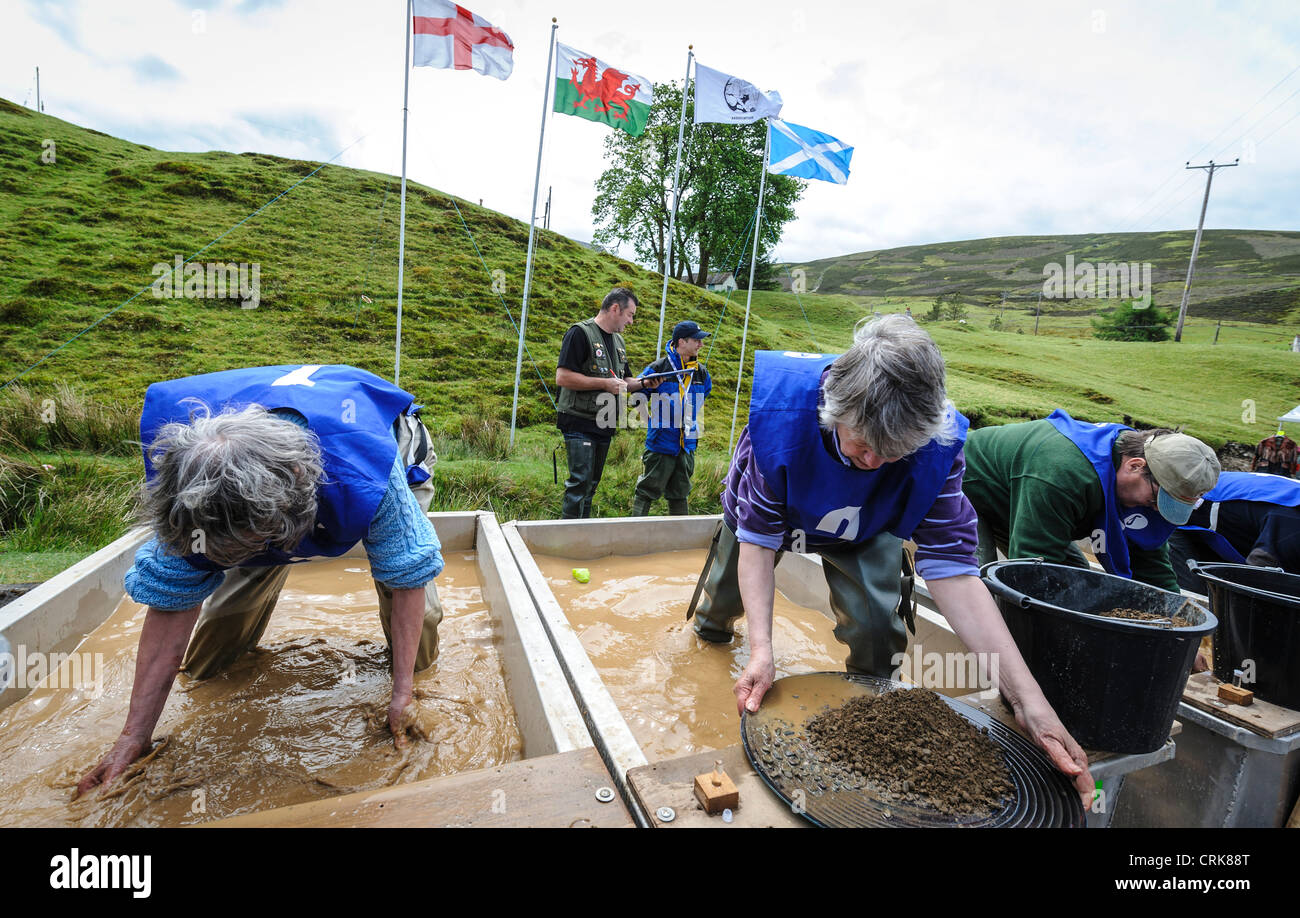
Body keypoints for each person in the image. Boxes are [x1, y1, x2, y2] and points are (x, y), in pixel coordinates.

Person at [691, 316, 1095, 801]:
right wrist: (762, 650)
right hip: (768, 518)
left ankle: (867, 717)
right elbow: (758, 541)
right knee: (722, 605)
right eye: (863, 446)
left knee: (878, 628)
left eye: (894, 454)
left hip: (863, 520)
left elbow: (955, 574)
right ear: (834, 409)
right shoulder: (780, 422)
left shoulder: (937, 445)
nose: (874, 463)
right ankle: (711, 633)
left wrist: (1031, 704)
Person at [77, 364, 442, 796]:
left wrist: (402, 697)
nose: (233, 557)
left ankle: (414, 680)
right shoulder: (192, 496)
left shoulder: (368, 473)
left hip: (382, 449)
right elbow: (172, 602)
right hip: (253, 488)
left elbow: (407, 575)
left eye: (247, 546)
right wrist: (132, 737)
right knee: (215, 646)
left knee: (422, 623)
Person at [962, 413, 1221, 592]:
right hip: (967, 487)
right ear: (1135, 466)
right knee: (974, 577)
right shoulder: (1065, 474)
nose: (1155, 510)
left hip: (1024, 501)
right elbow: (1031, 566)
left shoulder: (1147, 470)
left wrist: (1177, 623)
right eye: (1156, 500)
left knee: (1075, 574)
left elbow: (1151, 563)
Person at [554, 287, 653, 519]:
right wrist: (604, 384)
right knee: (579, 485)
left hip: (605, 423)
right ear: (615, 308)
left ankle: (583, 538)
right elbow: (563, 377)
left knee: (591, 487)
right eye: (630, 314)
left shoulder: (618, 341)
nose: (631, 321)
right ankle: (567, 540)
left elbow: (625, 381)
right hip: (579, 421)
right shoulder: (579, 333)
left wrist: (646, 383)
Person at [630, 320, 713, 517]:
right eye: (696, 340)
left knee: (680, 493)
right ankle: (632, 533)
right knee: (647, 490)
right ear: (681, 342)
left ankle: (680, 542)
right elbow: (636, 397)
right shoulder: (659, 367)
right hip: (661, 444)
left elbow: (704, 395)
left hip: (687, 446)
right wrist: (649, 422)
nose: (701, 345)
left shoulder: (701, 373)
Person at [1167, 470, 1300, 591]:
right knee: (1201, 596)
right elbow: (1257, 577)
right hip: (1177, 512)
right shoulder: (1292, 525)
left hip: (1228, 521)